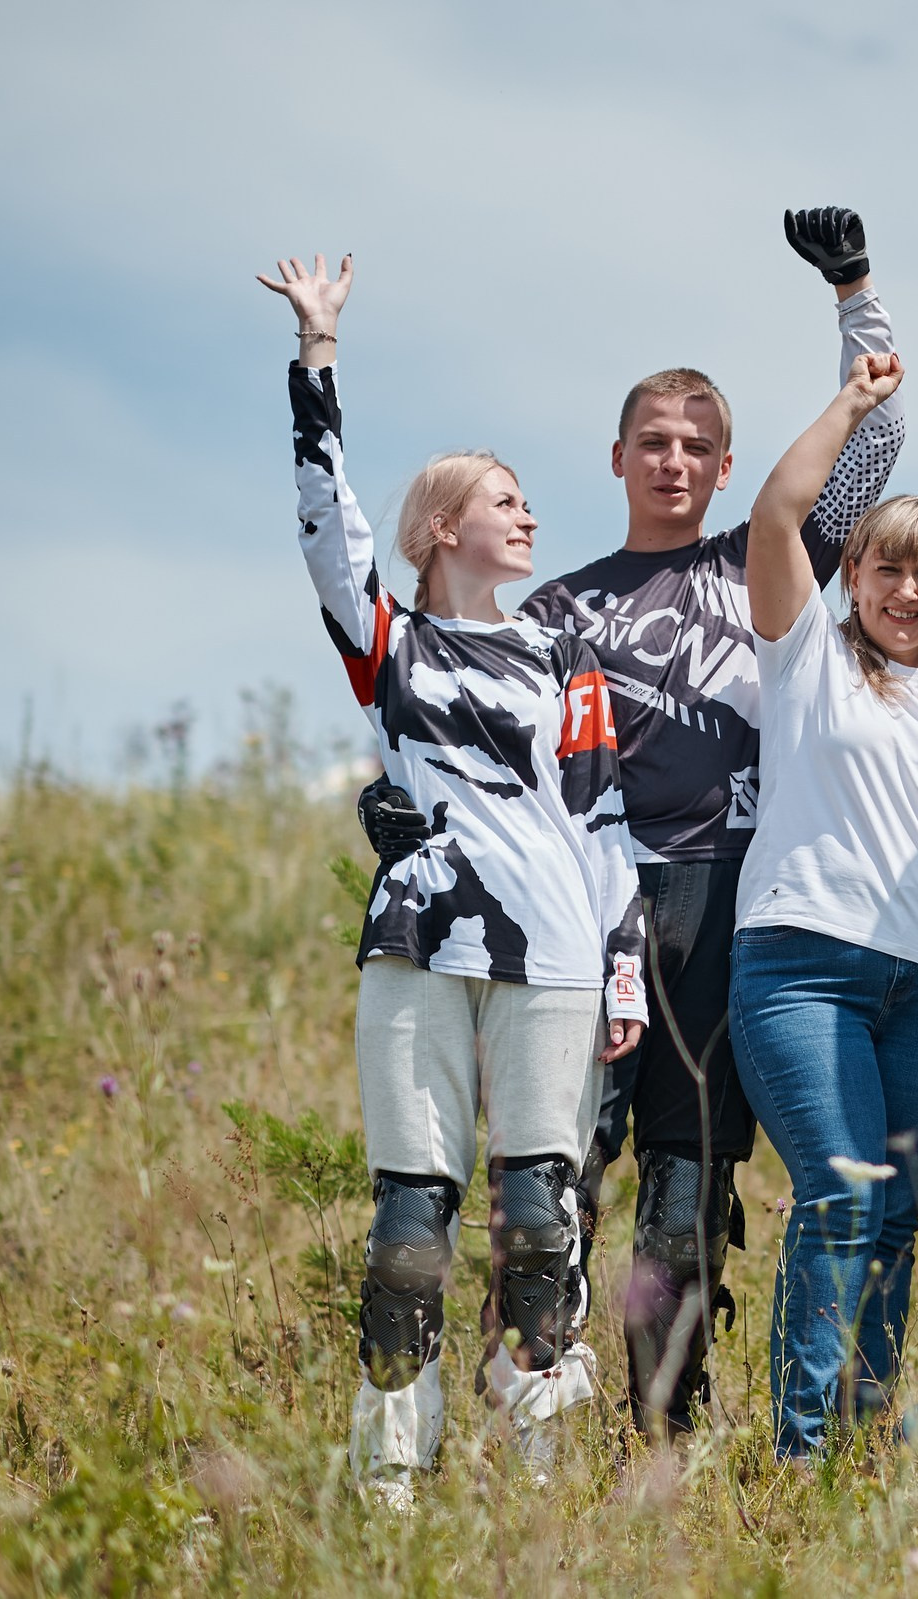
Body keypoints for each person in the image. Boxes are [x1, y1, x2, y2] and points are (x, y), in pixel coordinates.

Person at [358, 208, 904, 1435]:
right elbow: (444, 710)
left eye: (696, 444)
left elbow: (871, 452)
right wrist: (392, 808)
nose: (673, 460)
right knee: (559, 1181)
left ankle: (666, 1418)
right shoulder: (545, 608)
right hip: (570, 909)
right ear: (614, 459)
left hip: (727, 896)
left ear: (724, 464)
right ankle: (532, 1409)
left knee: (681, 1192)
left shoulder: (767, 558)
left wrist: (854, 297)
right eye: (651, 441)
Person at [258, 254, 646, 1504]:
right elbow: (328, 523)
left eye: (529, 500)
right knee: (409, 1227)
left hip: (555, 952)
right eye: (506, 498)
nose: (528, 517)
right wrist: (319, 357)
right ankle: (391, 1477)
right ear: (443, 527)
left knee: (541, 1216)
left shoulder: (566, 652)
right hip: (419, 943)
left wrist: (626, 959)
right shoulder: (390, 643)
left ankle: (533, 1469)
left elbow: (603, 818)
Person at [730, 346, 918, 1458]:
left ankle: (863, 1436)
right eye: (887, 567)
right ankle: (801, 1453)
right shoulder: (805, 660)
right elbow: (777, 514)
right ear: (855, 574)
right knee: (837, 1193)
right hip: (804, 962)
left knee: (893, 1216)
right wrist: (854, 399)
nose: (906, 590)